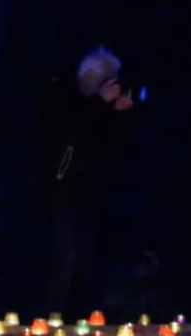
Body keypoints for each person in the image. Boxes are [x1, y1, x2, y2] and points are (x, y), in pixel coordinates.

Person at [38, 45, 136, 319]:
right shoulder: (61, 93)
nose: (112, 84)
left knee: (89, 260)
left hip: (91, 193)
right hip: (60, 189)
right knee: (65, 257)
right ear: (92, 75)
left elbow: (116, 147)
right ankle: (51, 318)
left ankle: (85, 317)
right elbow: (66, 131)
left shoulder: (100, 106)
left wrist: (120, 113)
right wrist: (99, 102)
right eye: (108, 78)